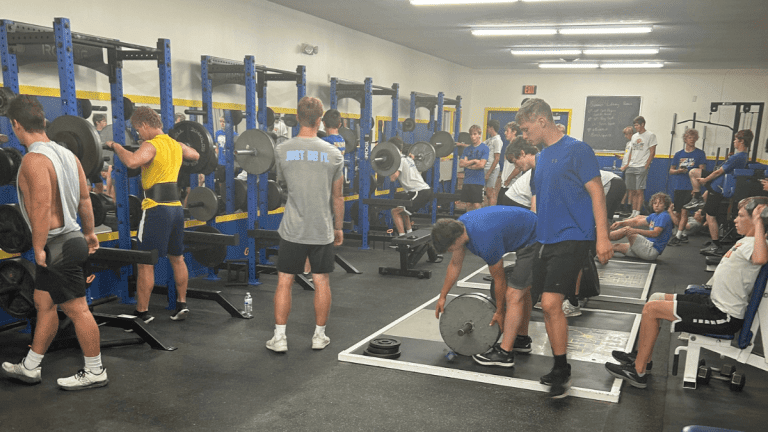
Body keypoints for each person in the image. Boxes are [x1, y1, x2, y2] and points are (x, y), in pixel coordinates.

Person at [606, 197, 768, 388]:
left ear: (757, 221)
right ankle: (643, 358)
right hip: (712, 302)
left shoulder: (757, 244)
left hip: (723, 316)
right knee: (655, 298)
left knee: (652, 310)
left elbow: (760, 258)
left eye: (741, 216)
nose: (735, 219)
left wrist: (759, 220)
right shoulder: (747, 241)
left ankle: (638, 372)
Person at [1, 95, 105, 390]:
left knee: (76, 309)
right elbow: (85, 198)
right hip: (71, 240)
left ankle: (96, 370)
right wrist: (89, 232)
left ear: (16, 125)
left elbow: (42, 207)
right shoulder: (68, 154)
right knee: (44, 303)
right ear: (42, 122)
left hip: (56, 245)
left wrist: (36, 247)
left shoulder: (34, 160)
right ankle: (31, 366)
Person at [516, 98, 613, 398]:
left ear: (541, 120)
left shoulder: (577, 149)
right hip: (545, 239)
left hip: (573, 237)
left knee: (550, 303)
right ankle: (560, 365)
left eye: (525, 127)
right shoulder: (542, 158)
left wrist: (603, 237)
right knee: (544, 306)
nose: (524, 134)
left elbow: (597, 194)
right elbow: (540, 201)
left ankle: (561, 367)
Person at [105, 106, 199, 323]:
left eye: (139, 130)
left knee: (145, 263)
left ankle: (141, 313)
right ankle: (182, 304)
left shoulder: (152, 144)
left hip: (156, 208)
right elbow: (195, 154)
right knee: (177, 258)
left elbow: (131, 162)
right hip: (176, 209)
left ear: (145, 125)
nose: (139, 135)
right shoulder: (175, 144)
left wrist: (116, 146)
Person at [267, 96, 344, 353]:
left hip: (292, 228)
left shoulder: (281, 150)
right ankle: (318, 337)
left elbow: (282, 185)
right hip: (321, 229)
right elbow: (338, 196)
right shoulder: (334, 154)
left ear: (297, 118)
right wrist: (339, 227)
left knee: (284, 281)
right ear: (320, 119)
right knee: (321, 281)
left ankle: (279, 338)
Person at [431, 206, 538, 367]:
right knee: (523, 291)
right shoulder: (460, 227)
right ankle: (521, 339)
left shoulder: (485, 240)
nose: (449, 251)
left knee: (514, 294)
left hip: (536, 239)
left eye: (449, 248)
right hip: (528, 230)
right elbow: (455, 264)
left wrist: (499, 311)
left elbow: (500, 279)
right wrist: (443, 296)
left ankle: (505, 354)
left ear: (457, 240)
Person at [684, 130, 753, 256]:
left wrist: (705, 180)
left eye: (735, 139)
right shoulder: (742, 156)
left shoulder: (737, 157)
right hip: (717, 184)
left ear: (741, 141)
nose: (734, 142)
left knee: (711, 216)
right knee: (693, 172)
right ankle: (699, 198)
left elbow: (718, 172)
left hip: (718, 186)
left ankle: (716, 245)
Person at [667, 129, 707, 246]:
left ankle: (678, 236)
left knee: (685, 211)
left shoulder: (700, 153)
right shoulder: (679, 154)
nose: (692, 139)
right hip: (679, 185)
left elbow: (702, 171)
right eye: (690, 137)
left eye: (694, 137)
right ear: (685, 139)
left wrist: (697, 181)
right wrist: (678, 171)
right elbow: (671, 170)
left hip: (691, 187)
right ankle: (683, 234)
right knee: (678, 212)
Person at [609, 192, 674, 261]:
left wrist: (635, 231)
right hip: (644, 248)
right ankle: (598, 245)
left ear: (665, 205)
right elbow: (636, 222)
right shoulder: (654, 215)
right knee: (615, 246)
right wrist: (621, 223)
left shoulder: (664, 216)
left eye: (660, 203)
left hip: (650, 250)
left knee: (627, 230)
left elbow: (655, 233)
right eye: (655, 203)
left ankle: (602, 237)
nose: (657, 205)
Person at [389, 137, 433, 237]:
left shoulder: (399, 160)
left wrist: (387, 170)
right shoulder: (407, 158)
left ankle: (402, 239)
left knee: (395, 212)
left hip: (419, 191)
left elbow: (393, 178)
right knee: (403, 210)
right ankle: (409, 235)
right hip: (420, 191)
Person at [626, 116, 657, 218]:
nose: (635, 127)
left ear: (643, 124)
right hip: (632, 165)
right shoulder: (634, 136)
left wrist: (646, 166)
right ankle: (633, 212)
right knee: (633, 190)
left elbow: (652, 152)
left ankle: (638, 213)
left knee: (639, 190)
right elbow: (631, 151)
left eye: (637, 125)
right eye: (634, 125)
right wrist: (628, 163)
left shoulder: (650, 135)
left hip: (641, 165)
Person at [498, 137, 535, 209]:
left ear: (522, 153)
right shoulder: (533, 172)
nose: (516, 166)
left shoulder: (543, 165)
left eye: (515, 162)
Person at [459, 125, 488, 212]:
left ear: (479, 135)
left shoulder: (484, 148)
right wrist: (474, 161)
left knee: (476, 204)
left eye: (475, 134)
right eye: (471, 134)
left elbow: (481, 165)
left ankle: (479, 224)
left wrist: (467, 164)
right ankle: (469, 224)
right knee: (468, 205)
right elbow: (461, 164)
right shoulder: (467, 149)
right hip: (467, 180)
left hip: (478, 181)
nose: (472, 136)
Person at [497, 122, 522, 205]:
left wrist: (509, 179)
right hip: (505, 186)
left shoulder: (518, 146)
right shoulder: (510, 146)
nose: (505, 133)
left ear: (514, 132)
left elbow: (519, 167)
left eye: (507, 131)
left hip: (512, 186)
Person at [483, 119, 503, 206]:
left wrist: (488, 173)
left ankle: (490, 213)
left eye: (488, 127)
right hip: (485, 168)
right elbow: (478, 146)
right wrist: (462, 145)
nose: (487, 129)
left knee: (489, 193)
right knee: (485, 193)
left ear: (491, 128)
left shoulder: (497, 141)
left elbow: (497, 158)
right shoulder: (489, 140)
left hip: (492, 169)